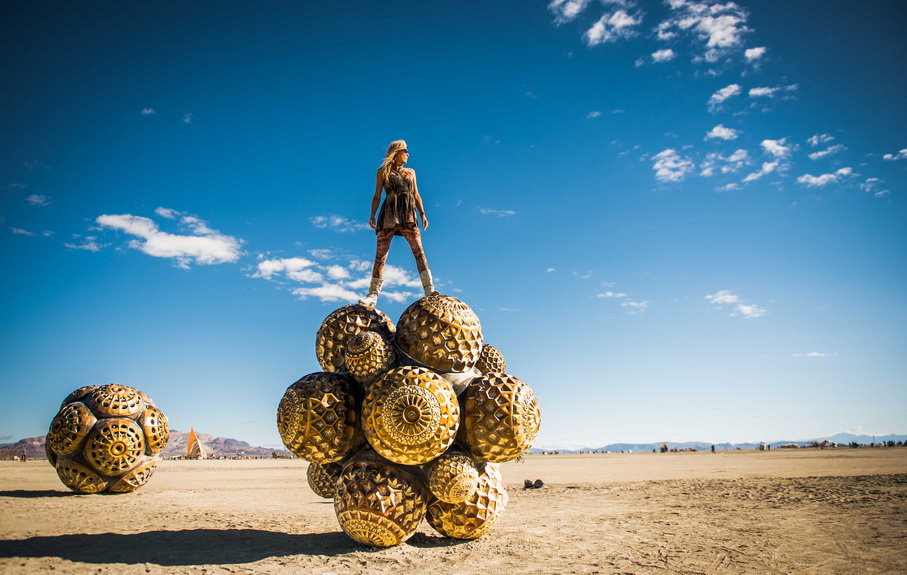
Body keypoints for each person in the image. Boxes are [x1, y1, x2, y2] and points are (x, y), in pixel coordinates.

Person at [359, 140, 436, 307]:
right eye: (405, 151)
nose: (408, 154)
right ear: (396, 152)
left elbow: (416, 194)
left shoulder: (411, 172)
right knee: (381, 255)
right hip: (388, 215)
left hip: (408, 214)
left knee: (418, 250)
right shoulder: (382, 172)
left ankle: (429, 289)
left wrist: (422, 213)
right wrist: (372, 214)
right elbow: (377, 195)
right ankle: (372, 295)